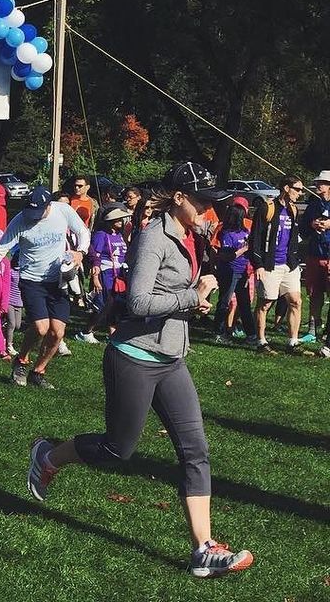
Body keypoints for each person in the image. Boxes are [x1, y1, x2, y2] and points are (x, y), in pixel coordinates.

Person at [26, 162, 253, 579]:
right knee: (118, 451)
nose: (210, 212)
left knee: (195, 450)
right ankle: (48, 455)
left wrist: (205, 282)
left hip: (171, 359)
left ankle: (203, 549)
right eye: (203, 202)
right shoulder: (153, 238)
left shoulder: (191, 234)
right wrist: (191, 297)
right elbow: (138, 303)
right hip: (134, 355)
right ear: (180, 198)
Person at [0, 186, 90, 389]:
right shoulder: (21, 219)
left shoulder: (62, 210)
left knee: (57, 333)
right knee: (41, 327)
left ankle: (39, 371)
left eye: (38, 212)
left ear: (48, 205)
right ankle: (22, 361)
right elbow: (1, 250)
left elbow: (82, 231)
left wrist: (80, 252)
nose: (33, 217)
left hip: (57, 280)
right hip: (31, 280)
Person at [251, 175, 309, 356]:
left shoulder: (293, 209)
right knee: (265, 303)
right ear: (286, 188)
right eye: (297, 189)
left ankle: (293, 342)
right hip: (270, 264)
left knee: (296, 301)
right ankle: (261, 341)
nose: (300, 193)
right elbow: (255, 237)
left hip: (289, 264)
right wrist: (258, 264)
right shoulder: (267, 208)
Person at [77, 202, 134, 344]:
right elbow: (94, 257)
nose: (121, 221)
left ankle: (113, 333)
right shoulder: (101, 235)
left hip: (119, 274)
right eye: (118, 219)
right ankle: (86, 331)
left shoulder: (119, 235)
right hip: (105, 273)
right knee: (102, 305)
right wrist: (95, 278)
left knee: (116, 305)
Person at [212, 197, 257, 345]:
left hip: (243, 271)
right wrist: (243, 249)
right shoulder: (226, 233)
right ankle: (218, 332)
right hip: (229, 272)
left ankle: (251, 334)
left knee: (244, 304)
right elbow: (226, 256)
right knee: (224, 302)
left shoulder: (245, 230)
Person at [301, 170, 330, 346]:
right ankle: (312, 329)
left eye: (322, 183)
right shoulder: (313, 205)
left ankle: (328, 332)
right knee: (314, 293)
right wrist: (312, 224)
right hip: (314, 255)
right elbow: (303, 230)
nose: (318, 186)